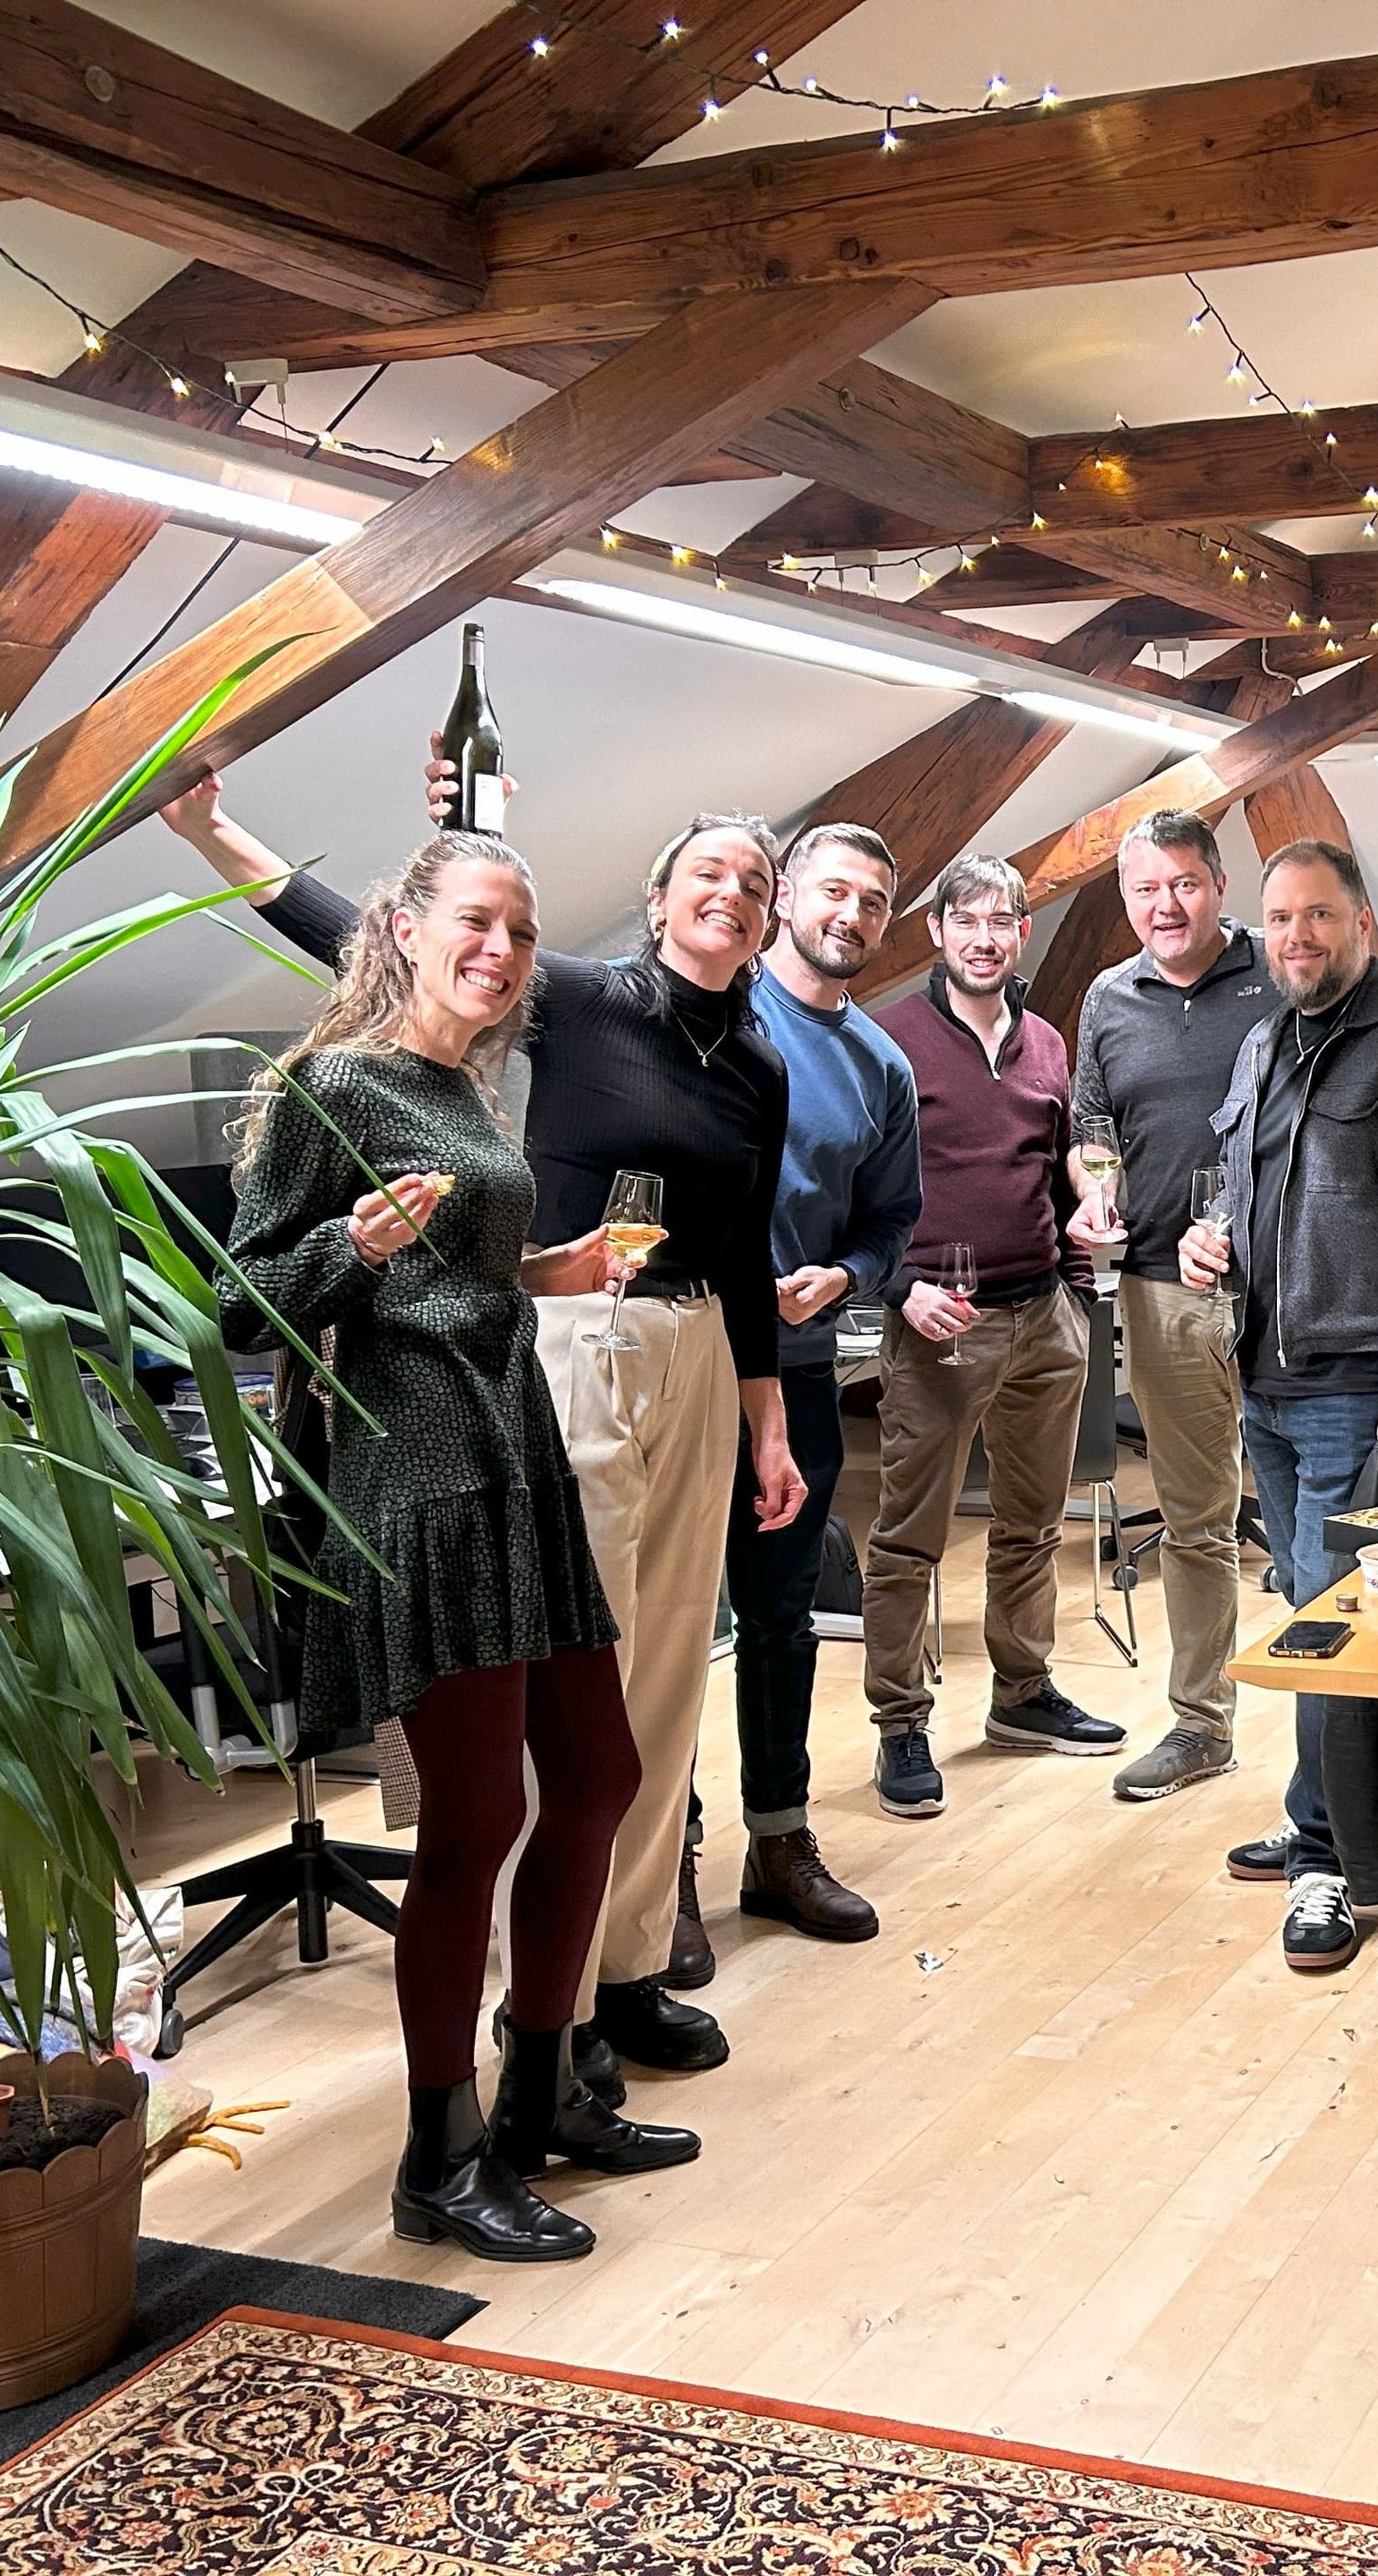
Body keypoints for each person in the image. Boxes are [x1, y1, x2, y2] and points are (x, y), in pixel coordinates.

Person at [165, 774, 807, 2105]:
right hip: (484, 1430)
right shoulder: (534, 1014)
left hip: (590, 1384)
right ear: (658, 898)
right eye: (712, 876)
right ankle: (512, 2066)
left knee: (640, 1719)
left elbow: (726, 1249)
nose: (500, 953)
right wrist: (215, 830)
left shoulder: (733, 1064)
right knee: (505, 1793)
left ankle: (592, 2017)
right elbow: (247, 1297)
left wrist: (750, 1405)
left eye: (755, 886)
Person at [221, 830, 697, 2261]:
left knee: (600, 1773)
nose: (502, 951)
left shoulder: (466, 1087)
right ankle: (441, 2153)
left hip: (514, 1453)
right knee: (480, 1816)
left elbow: (463, 1270)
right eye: (479, 923)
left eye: (523, 933)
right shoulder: (331, 1088)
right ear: (410, 926)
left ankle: (546, 2088)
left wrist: (551, 1267)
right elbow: (247, 1302)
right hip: (412, 1473)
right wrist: (351, 1250)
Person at [1179, 839, 1378, 1973]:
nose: (1297, 939)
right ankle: (1325, 1811)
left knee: (1328, 1628)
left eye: (1318, 917)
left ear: (1362, 922)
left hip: (1366, 1391)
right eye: (1278, 921)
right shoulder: (1265, 1042)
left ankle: (1326, 1860)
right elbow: (1239, 1189)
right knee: (1304, 1606)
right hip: (1263, 1379)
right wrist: (1206, 1241)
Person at [859, 853, 1125, 1818]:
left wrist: (1089, 1216)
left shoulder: (1050, 1041)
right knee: (907, 1539)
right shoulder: (886, 1042)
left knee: (1032, 1526)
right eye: (964, 920)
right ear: (936, 931)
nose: (983, 938)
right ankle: (900, 1722)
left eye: (1001, 922)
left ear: (1021, 932)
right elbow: (852, 1192)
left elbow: (1067, 1161)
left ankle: (1021, 1694)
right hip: (940, 1325)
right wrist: (897, 1287)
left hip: (1046, 1314)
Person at [723, 820, 924, 1937]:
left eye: (873, 902)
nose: (849, 915)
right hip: (666, 1363)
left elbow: (893, 1219)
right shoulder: (704, 1011)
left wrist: (842, 1274)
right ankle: (667, 1860)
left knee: (782, 1615)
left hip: (796, 1376)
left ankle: (778, 1838)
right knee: (653, 1629)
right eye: (832, 890)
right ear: (787, 890)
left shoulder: (880, 1065)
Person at [1065, 811, 1280, 1803]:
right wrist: (1093, 1186)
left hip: (1288, 1285)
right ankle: (1203, 1725)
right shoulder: (1108, 999)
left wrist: (1237, 1218)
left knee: (1330, 1512)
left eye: (1184, 884)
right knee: (1198, 1522)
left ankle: (1368, 1724)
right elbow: (1092, 1122)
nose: (1166, 905)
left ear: (1220, 885)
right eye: (1146, 889)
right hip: (1159, 1291)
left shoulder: (1281, 976)